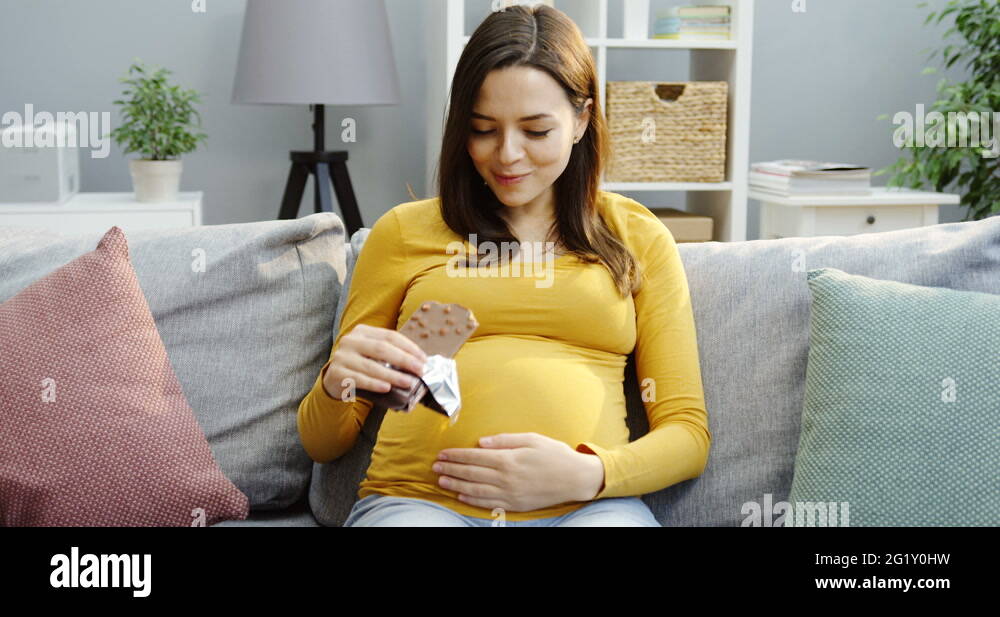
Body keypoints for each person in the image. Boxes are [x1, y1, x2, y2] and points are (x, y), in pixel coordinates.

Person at [297, 4, 711, 527]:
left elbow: (687, 434)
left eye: (536, 131)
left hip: (590, 508)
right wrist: (338, 383)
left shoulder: (638, 237)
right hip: (417, 504)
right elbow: (322, 443)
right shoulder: (404, 233)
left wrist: (591, 474)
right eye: (483, 129)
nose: (508, 155)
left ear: (582, 119)